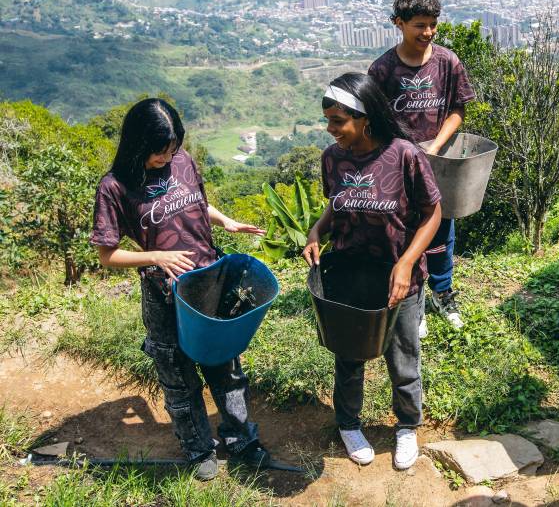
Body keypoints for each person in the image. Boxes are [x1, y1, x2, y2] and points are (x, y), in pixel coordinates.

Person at [90, 98, 269, 481]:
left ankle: (241, 438)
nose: (167, 157)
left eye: (172, 148)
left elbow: (196, 204)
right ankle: (198, 448)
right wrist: (156, 256)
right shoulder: (114, 187)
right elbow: (107, 254)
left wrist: (226, 221)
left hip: (209, 283)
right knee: (178, 377)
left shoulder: (182, 161)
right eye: (159, 151)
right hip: (164, 294)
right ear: (137, 143)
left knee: (225, 367)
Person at [302, 73, 442, 470]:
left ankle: (407, 426)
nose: (331, 130)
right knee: (348, 355)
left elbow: (433, 213)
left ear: (364, 118)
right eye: (328, 121)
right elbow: (337, 202)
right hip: (349, 274)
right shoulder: (333, 159)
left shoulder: (404, 155)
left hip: (399, 275)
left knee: (403, 357)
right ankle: (348, 424)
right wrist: (317, 230)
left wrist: (406, 262)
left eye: (338, 121)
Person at [368, 0, 475, 335]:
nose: (428, 32)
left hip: (438, 164)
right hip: (397, 168)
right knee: (405, 234)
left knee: (442, 230)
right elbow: (374, 122)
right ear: (399, 23)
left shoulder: (447, 62)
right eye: (419, 25)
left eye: (432, 24)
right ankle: (414, 302)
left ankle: (443, 293)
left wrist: (435, 146)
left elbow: (458, 108)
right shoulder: (382, 69)